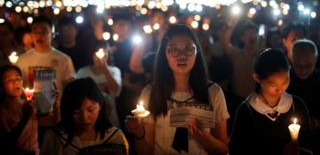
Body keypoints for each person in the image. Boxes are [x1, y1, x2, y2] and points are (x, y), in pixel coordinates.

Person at [125, 24, 229, 155]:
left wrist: (203, 136)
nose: (182, 56)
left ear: (197, 53)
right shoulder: (151, 93)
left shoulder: (213, 92)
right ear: (164, 54)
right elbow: (145, 151)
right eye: (174, 50)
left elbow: (223, 150)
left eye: (188, 49)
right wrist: (139, 133)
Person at [229, 48, 312, 155]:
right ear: (257, 78)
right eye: (273, 85)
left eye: (285, 81)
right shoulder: (247, 110)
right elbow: (237, 149)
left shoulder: (296, 105)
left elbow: (309, 143)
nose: (281, 89)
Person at [41, 78, 129, 155]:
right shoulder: (55, 138)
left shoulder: (114, 137)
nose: (84, 118)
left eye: (91, 110)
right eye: (76, 112)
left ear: (100, 106)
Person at [16, 15, 75, 127]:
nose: (39, 35)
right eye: (35, 31)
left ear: (52, 34)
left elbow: (70, 88)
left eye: (43, 31)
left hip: (57, 116)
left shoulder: (64, 59)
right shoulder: (22, 60)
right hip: (30, 118)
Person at [76, 40, 122, 127]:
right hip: (88, 120)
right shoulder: (82, 72)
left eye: (105, 53)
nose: (100, 57)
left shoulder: (114, 71)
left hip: (110, 118)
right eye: (97, 53)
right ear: (92, 55)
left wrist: (105, 70)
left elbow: (116, 91)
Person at [287, 39, 320, 154]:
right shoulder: (284, 81)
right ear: (291, 59)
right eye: (298, 65)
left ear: (315, 59)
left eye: (308, 65)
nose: (303, 70)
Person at [0, 65, 39, 154]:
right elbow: (7, 142)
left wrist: (55, 106)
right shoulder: (2, 111)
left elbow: (49, 121)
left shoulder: (29, 105)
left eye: (18, 78)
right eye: (9, 80)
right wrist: (25, 117)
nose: (15, 82)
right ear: (1, 86)